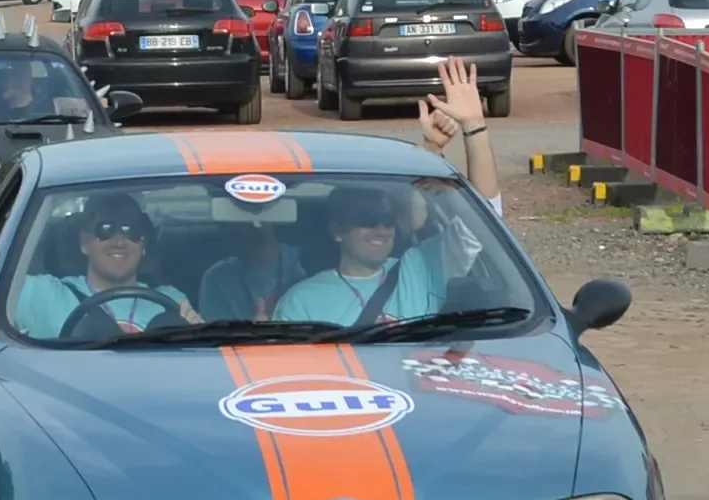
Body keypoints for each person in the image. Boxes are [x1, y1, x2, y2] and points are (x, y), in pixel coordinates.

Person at [273, 57, 503, 329]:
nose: (381, 228)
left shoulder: (419, 268)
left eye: (388, 218)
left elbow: (485, 217)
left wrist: (472, 127)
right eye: (367, 218)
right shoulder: (300, 302)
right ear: (337, 230)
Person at [0, 147, 202, 337]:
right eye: (105, 228)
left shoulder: (172, 301)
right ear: (84, 242)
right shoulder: (44, 293)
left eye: (132, 231)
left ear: (144, 244)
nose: (119, 239)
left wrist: (199, 331)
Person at [198, 219, 305, 322]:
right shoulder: (217, 278)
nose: (244, 231)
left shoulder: (306, 263)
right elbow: (216, 334)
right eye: (234, 226)